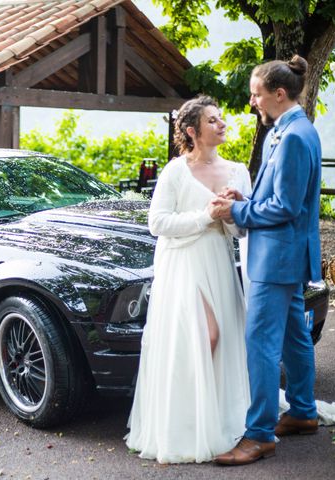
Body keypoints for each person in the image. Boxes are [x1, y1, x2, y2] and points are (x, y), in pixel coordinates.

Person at [125, 95, 252, 463]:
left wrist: (233, 211)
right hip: (182, 266)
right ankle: (185, 422)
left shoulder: (237, 171)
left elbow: (240, 232)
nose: (222, 123)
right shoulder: (175, 172)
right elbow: (157, 223)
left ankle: (216, 417)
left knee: (222, 340)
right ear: (193, 131)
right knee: (202, 336)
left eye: (221, 118)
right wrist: (205, 216)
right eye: (213, 120)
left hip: (217, 263)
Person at [212, 55, 322, 466]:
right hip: (287, 255)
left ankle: (258, 435)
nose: (252, 101)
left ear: (279, 93)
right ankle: (303, 412)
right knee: (295, 335)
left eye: (257, 94)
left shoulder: (293, 136)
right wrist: (248, 200)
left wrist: (236, 213)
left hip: (276, 258)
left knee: (259, 342)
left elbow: (287, 207)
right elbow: (277, 198)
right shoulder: (290, 129)